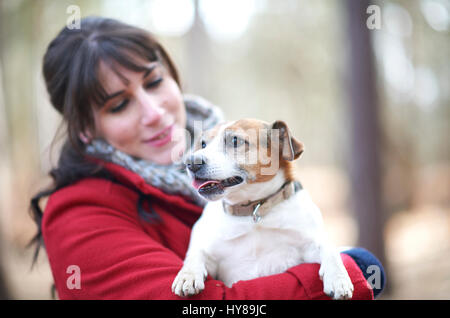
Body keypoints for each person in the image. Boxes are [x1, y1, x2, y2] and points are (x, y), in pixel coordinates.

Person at [30, 16, 384, 300]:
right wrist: (352, 269)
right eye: (119, 105)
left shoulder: (234, 166)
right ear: (85, 131)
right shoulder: (78, 216)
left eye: (154, 82)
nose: (154, 112)